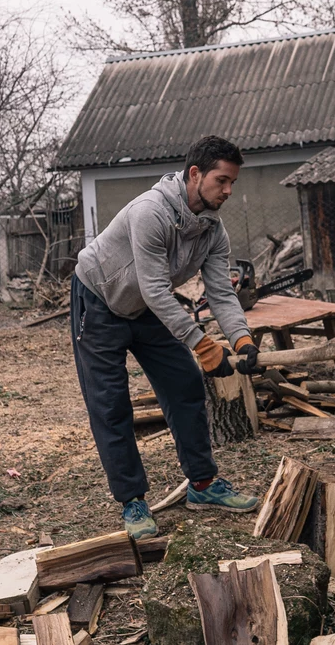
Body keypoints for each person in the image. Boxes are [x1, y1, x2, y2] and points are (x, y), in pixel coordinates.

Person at [70, 135, 264, 540]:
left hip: (145, 306)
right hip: (99, 299)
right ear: (195, 174)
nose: (228, 191)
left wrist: (242, 339)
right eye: (222, 181)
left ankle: (204, 484)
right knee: (110, 404)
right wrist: (201, 343)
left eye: (232, 183)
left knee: (185, 383)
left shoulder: (213, 229)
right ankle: (133, 501)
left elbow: (220, 291)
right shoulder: (150, 212)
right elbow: (156, 288)